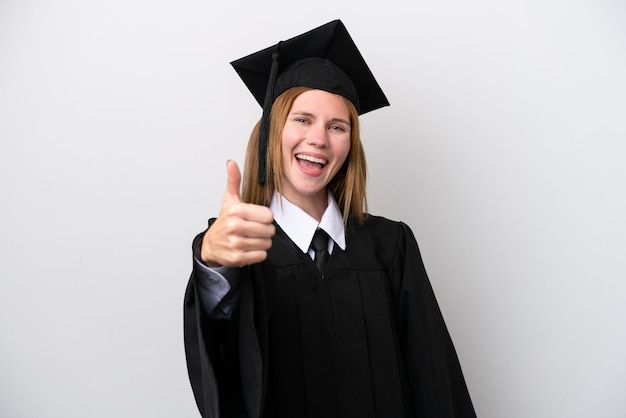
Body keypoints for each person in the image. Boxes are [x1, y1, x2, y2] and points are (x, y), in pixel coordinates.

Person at [184, 20, 476, 418]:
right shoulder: (241, 250)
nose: (319, 139)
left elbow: (435, 381)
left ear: (349, 145)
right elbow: (219, 357)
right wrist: (213, 263)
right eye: (302, 119)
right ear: (271, 131)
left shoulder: (390, 248)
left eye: (337, 127)